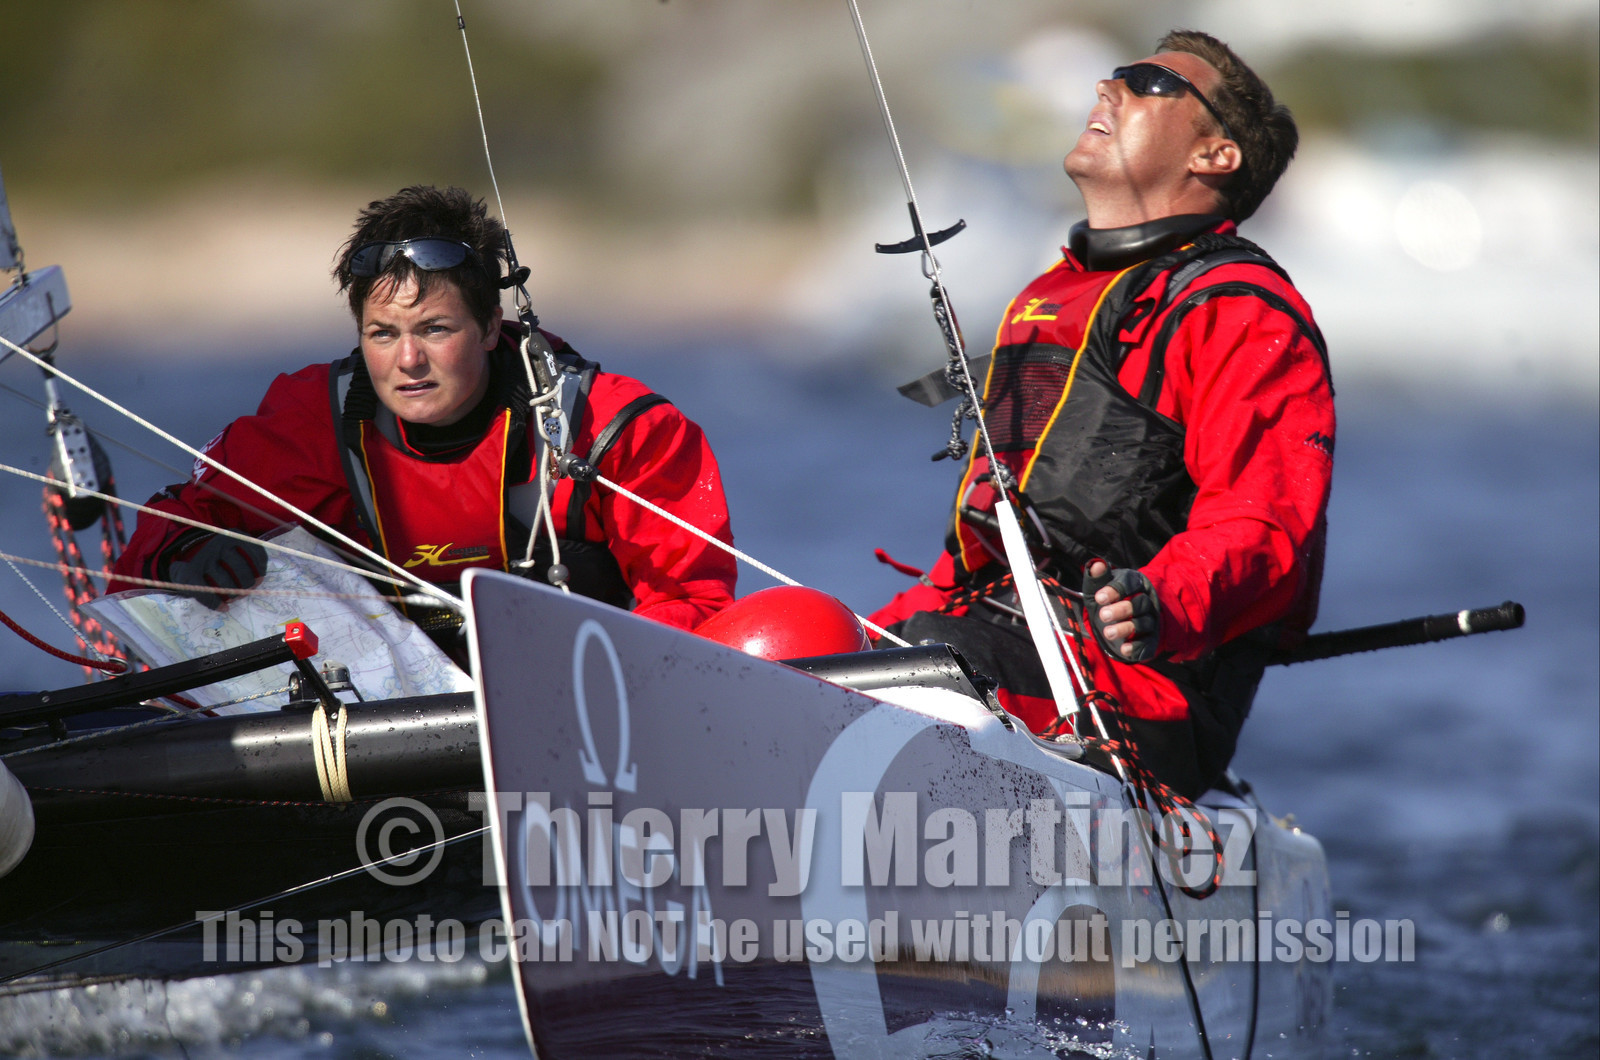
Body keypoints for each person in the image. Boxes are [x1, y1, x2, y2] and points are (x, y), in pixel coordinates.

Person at [873, 31, 1334, 798]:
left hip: (1137, 697)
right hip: (996, 637)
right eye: (1114, 75)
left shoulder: (1242, 316)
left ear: (1214, 155)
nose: (1106, 89)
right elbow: (982, 557)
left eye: (1148, 82)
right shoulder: (1050, 298)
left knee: (920, 653)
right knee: (802, 635)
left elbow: (1262, 528)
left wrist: (1158, 601)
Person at [111, 185, 736, 635]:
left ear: (493, 326)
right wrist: (186, 553)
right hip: (376, 728)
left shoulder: (615, 428)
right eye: (382, 334)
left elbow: (699, 601)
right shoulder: (314, 426)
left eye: (435, 329)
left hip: (576, 709)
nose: (407, 360)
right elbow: (154, 543)